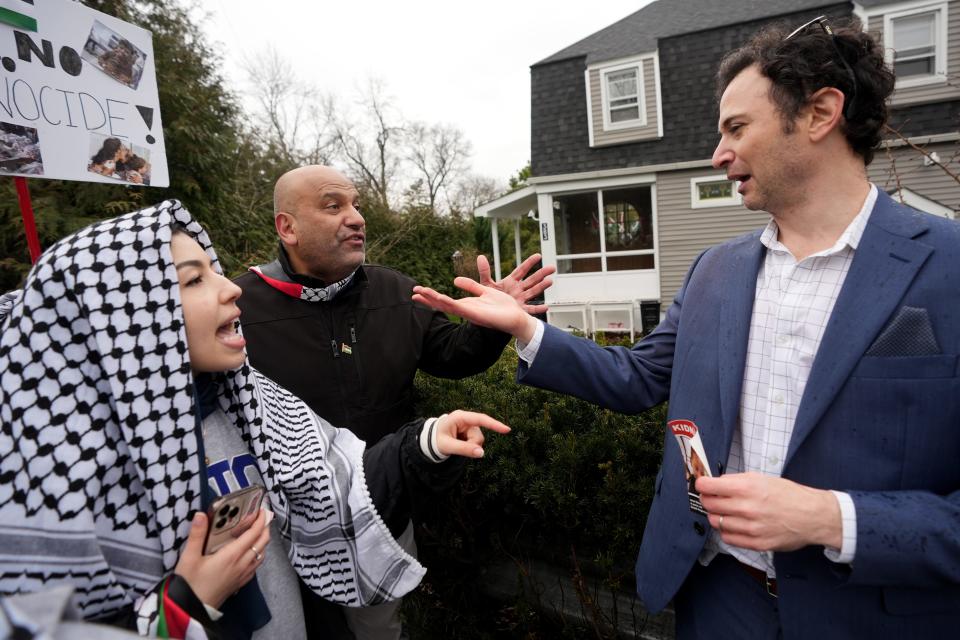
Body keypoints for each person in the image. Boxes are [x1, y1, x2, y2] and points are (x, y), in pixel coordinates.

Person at [412, 17, 960, 639]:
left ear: (819, 113)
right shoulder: (716, 270)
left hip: (872, 616)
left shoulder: (948, 268)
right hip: (719, 598)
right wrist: (524, 329)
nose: (718, 153)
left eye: (736, 128)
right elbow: (638, 376)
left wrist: (833, 519)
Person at [0, 200, 511, 639]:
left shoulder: (241, 398)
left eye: (214, 270)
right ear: (119, 316)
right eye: (194, 279)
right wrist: (182, 609)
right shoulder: (51, 473)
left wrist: (423, 444)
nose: (231, 290)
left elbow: (335, 481)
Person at [234, 164, 554, 639]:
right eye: (333, 206)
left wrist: (492, 322)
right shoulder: (240, 307)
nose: (356, 217)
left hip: (379, 510)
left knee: (380, 630)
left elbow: (452, 354)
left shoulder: (394, 290)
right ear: (288, 227)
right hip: (280, 528)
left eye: (356, 204)